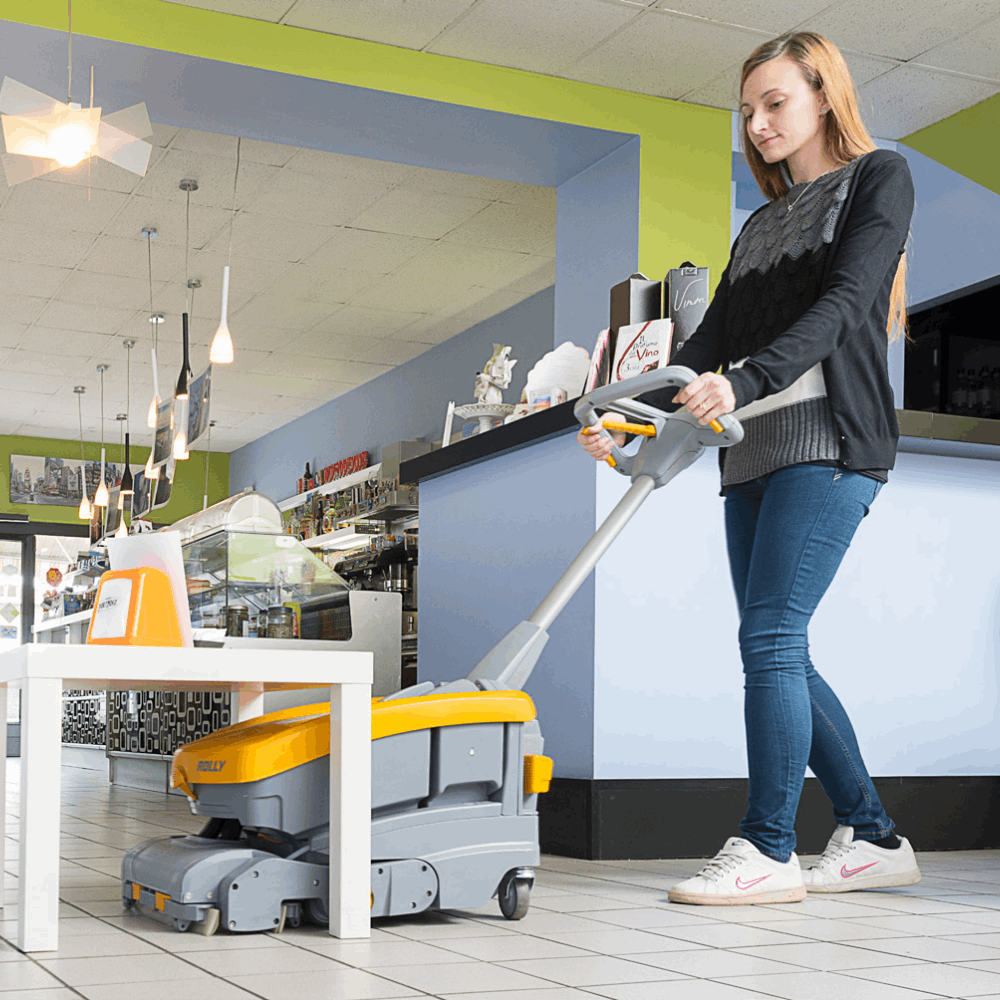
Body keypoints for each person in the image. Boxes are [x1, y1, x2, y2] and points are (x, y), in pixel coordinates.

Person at [578, 30, 922, 905]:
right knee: (776, 645)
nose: (759, 124)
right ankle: (875, 834)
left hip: (832, 443)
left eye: (775, 103)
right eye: (748, 111)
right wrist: (626, 423)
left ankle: (768, 848)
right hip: (754, 451)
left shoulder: (879, 179)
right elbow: (707, 345)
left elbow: (848, 307)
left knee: (771, 640)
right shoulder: (763, 223)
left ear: (823, 96)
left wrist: (745, 381)